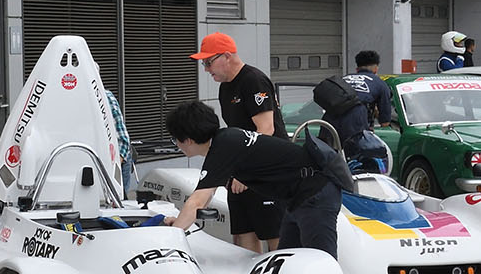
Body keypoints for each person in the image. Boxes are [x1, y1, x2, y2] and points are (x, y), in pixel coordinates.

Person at [164, 101, 339, 258]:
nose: (177, 145)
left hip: (315, 193)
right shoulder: (226, 139)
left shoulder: (223, 147)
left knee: (322, 262)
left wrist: (169, 238)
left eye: (175, 140)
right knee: (288, 261)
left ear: (187, 140)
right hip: (298, 198)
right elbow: (207, 194)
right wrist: (180, 223)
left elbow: (197, 201)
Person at [189, 32, 288, 251]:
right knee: (243, 229)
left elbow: (266, 129)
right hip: (242, 166)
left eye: (208, 62)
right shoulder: (225, 87)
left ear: (226, 56)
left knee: (273, 230)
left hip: (266, 167)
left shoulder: (253, 80)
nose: (205, 69)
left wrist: (247, 171)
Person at [325, 50, 394, 174]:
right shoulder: (380, 83)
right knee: (357, 165)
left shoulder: (343, 78)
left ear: (357, 68)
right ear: (376, 68)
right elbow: (385, 121)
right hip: (355, 123)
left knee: (329, 161)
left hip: (329, 121)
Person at [104, 88, 136, 195]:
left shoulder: (105, 97)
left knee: (118, 199)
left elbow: (123, 139)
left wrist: (113, 167)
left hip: (119, 158)